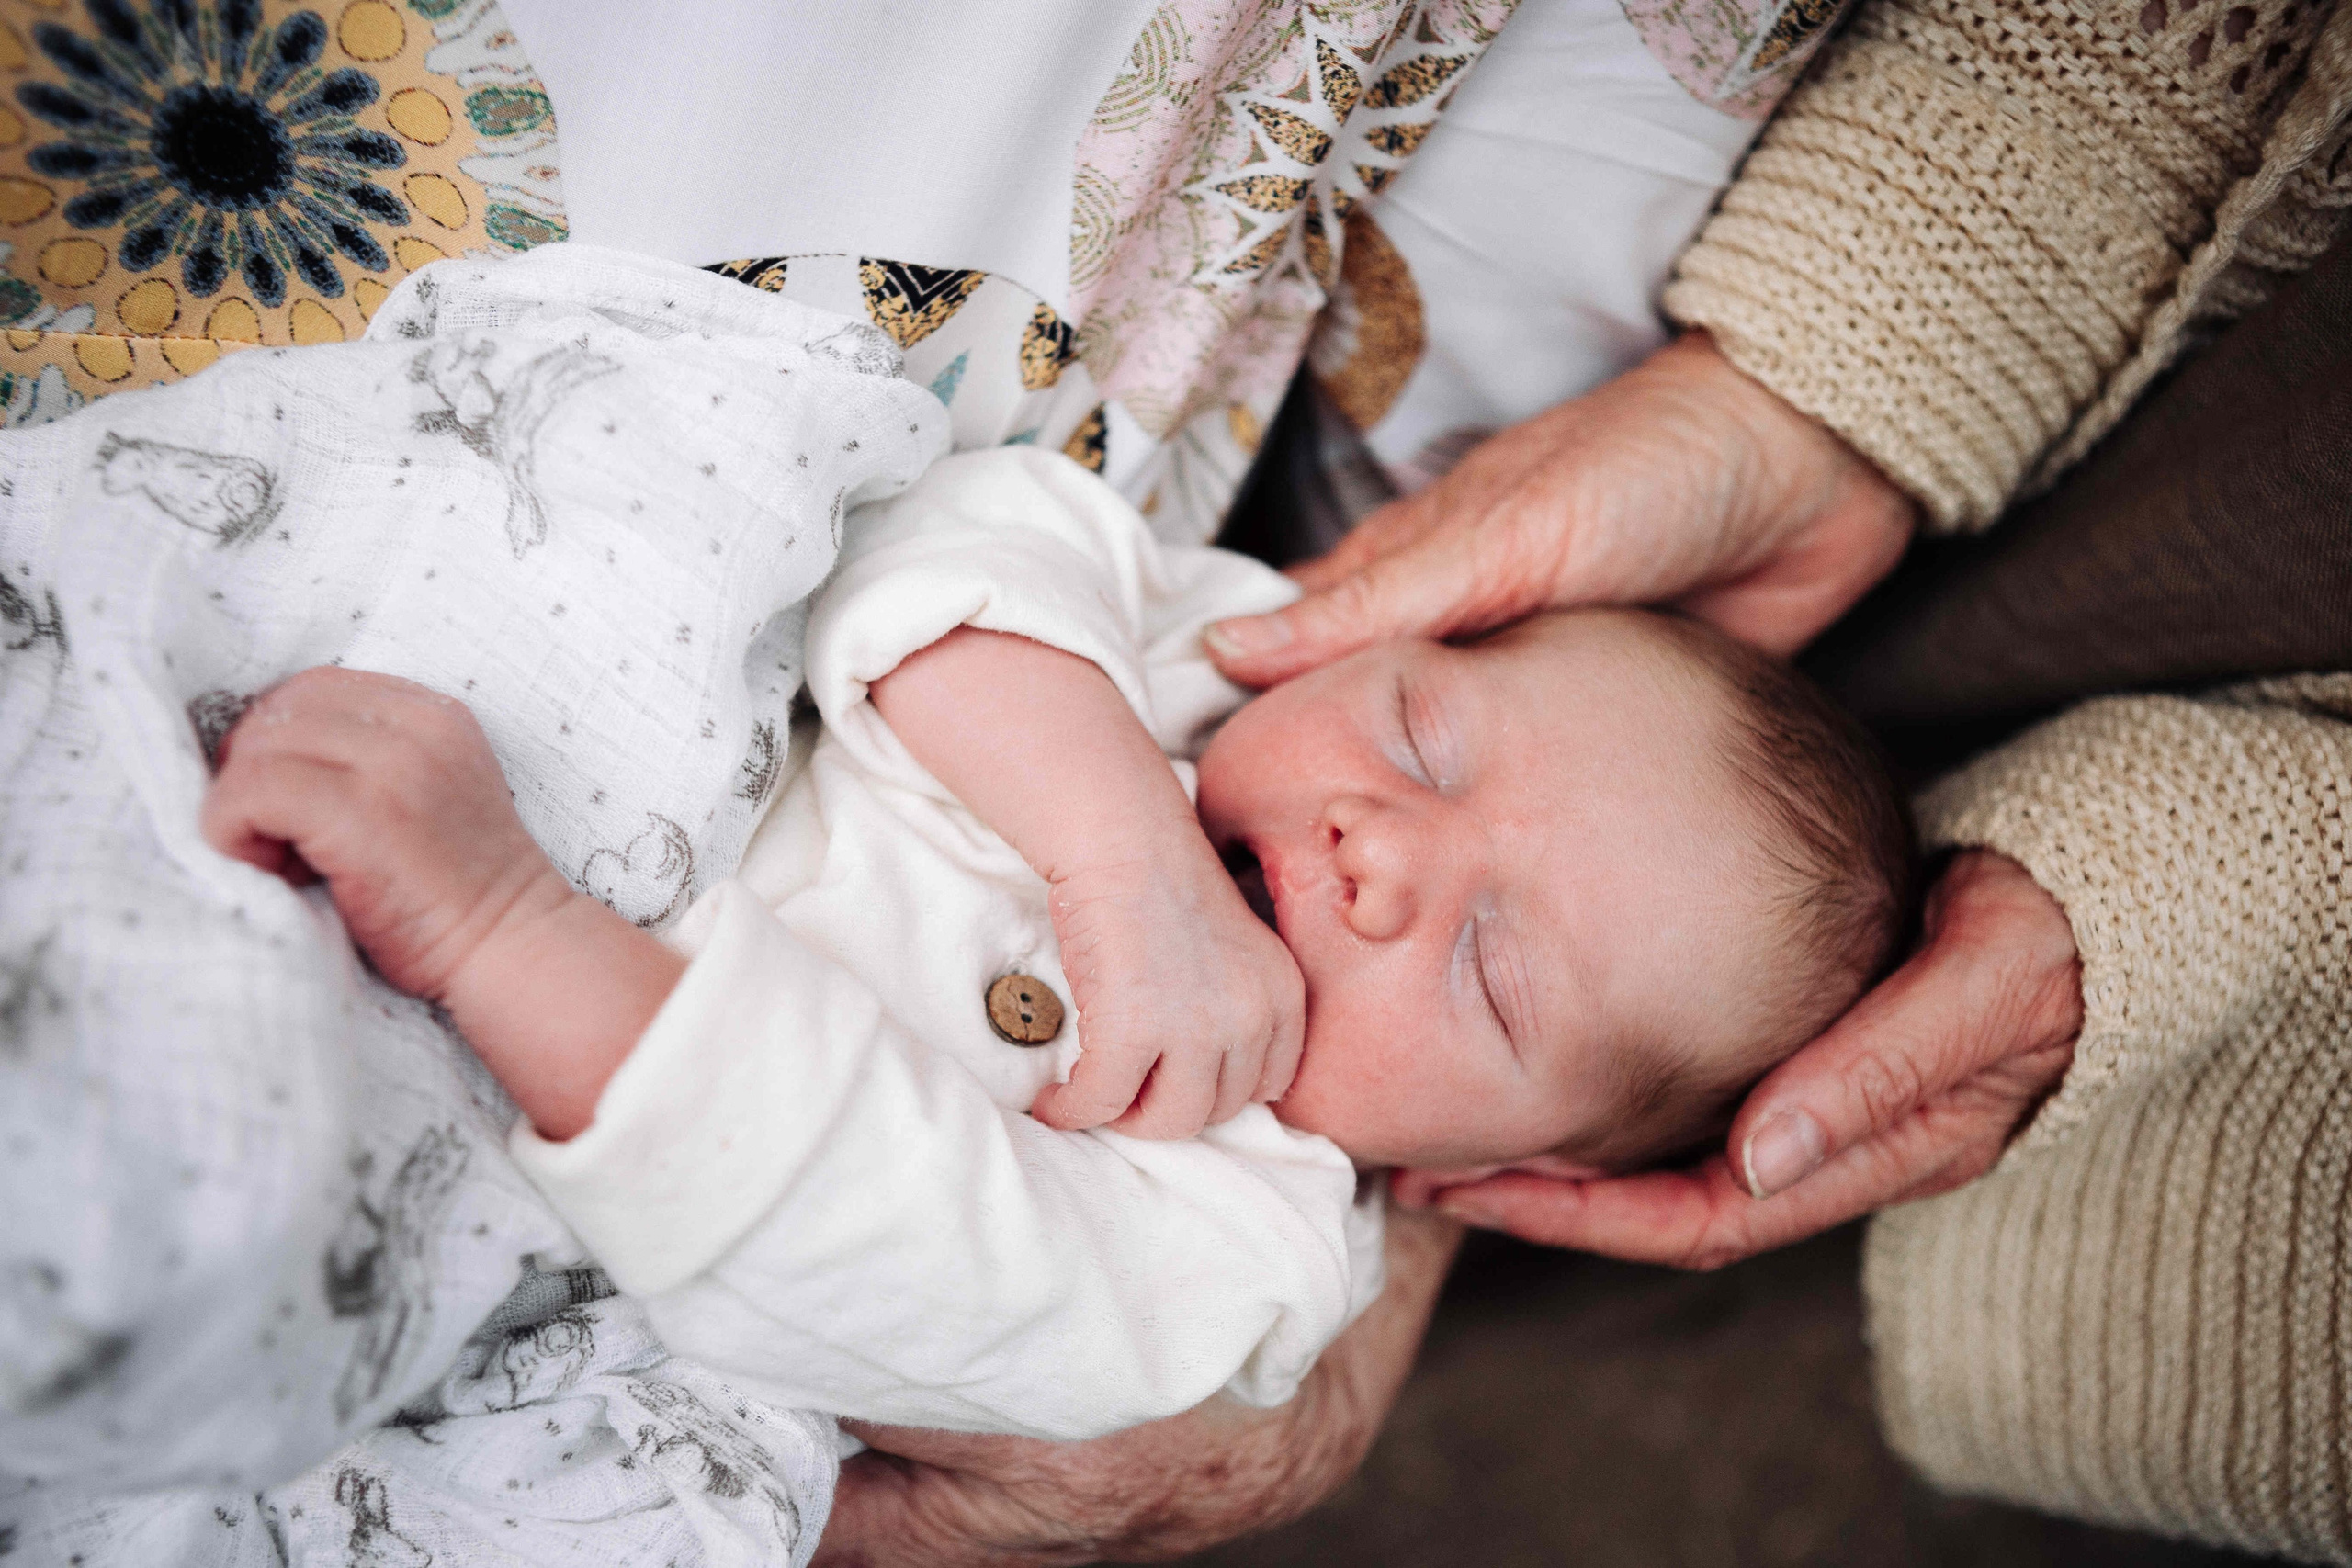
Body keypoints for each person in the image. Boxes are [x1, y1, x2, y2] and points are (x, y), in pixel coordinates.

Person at [195, 431, 1912, 1447]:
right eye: (1419, 737)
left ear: (1489, 1170)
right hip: (484, 727)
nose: (1377, 850)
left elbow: (868, 1226)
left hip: (452, 1095)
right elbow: (973, 530)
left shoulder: (1230, 1252)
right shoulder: (1203, 662)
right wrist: (1118, 836)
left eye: (1485, 969)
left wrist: (501, 924)